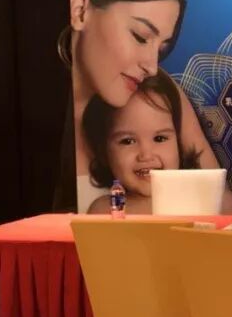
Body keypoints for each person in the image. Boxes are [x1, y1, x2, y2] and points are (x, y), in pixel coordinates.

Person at [62, 0, 232, 211]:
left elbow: (220, 204)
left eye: (162, 48)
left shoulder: (157, 91)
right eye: (140, 36)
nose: (151, 66)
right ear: (80, 10)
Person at [83, 73, 200, 214]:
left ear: (179, 145)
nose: (146, 155)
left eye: (159, 138)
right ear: (104, 153)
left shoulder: (200, 201)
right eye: (128, 141)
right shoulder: (106, 210)